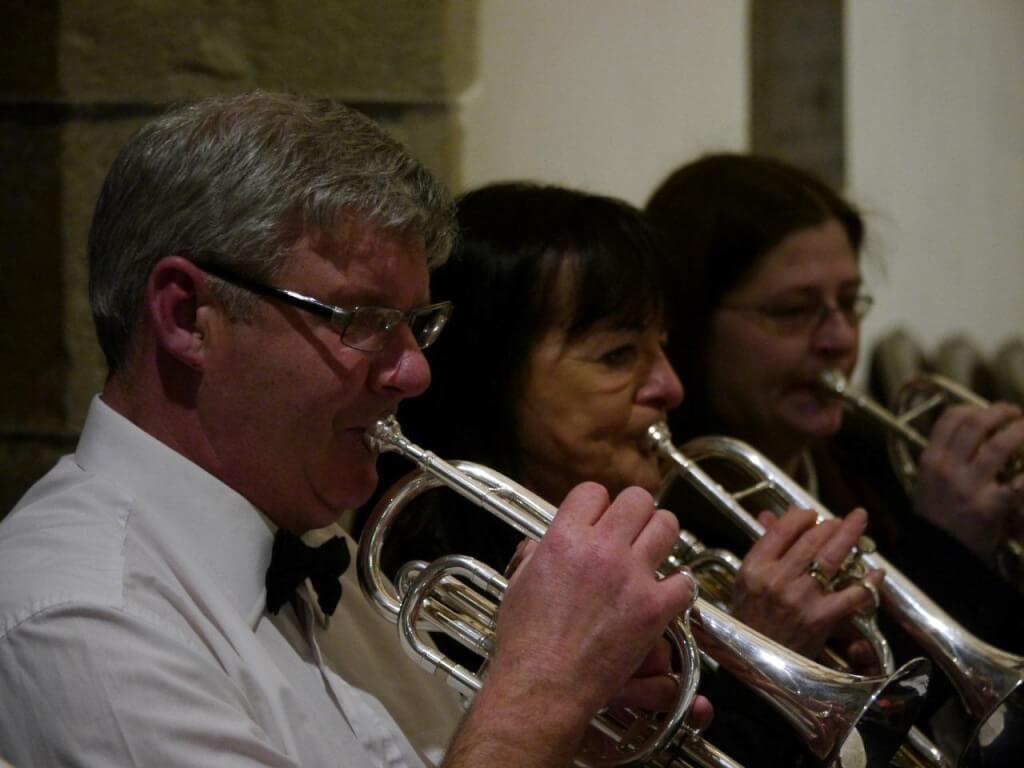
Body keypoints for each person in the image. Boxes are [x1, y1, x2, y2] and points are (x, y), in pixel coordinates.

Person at [0, 92, 704, 768]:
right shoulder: (84, 614)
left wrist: (575, 739)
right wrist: (542, 688)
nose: (415, 372)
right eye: (362, 319)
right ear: (187, 317)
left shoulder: (325, 557)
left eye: (416, 324)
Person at [363, 181, 884, 767]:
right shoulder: (432, 597)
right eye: (619, 355)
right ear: (489, 374)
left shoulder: (664, 527)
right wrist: (763, 668)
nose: (671, 387)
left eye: (662, 346)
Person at [644, 152, 1024, 654]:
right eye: (793, 311)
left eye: (848, 303)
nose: (840, 339)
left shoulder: (874, 460)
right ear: (689, 325)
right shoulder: (659, 517)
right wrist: (946, 547)